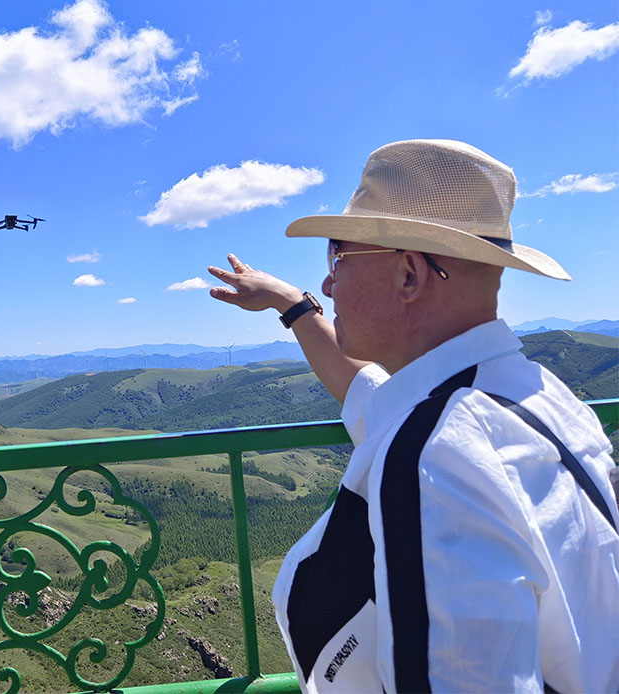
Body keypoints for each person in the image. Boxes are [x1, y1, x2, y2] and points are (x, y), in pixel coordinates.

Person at [208, 139, 619, 693]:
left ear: (409, 275)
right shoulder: (535, 395)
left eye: (339, 256)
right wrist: (293, 305)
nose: (329, 283)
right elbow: (367, 392)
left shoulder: (437, 458)